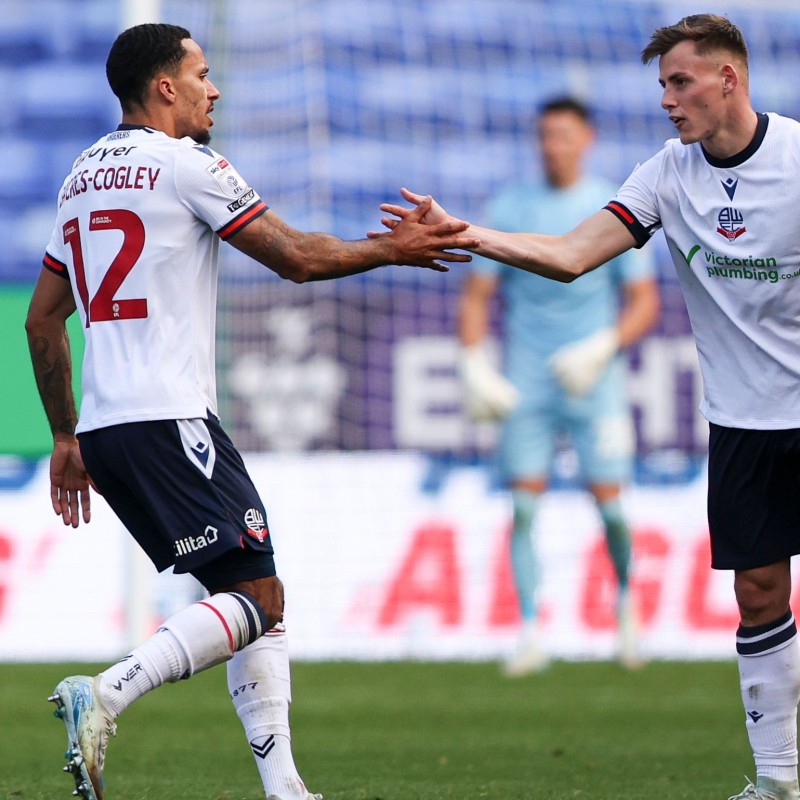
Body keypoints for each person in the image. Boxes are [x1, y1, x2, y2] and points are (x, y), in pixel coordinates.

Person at [25, 23, 478, 800]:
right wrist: (391, 250)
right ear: (164, 86)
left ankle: (286, 788)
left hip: (108, 428)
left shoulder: (79, 179)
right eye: (202, 74)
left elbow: (41, 318)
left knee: (252, 595)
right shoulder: (187, 165)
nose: (216, 87)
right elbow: (297, 258)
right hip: (172, 419)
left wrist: (65, 435)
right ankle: (106, 693)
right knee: (260, 599)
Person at [378, 13, 800, 800]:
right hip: (744, 422)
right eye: (662, 86)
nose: (668, 101)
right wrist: (467, 232)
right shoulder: (666, 175)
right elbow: (571, 256)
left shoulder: (799, 159)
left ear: (728, 79)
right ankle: (779, 781)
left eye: (680, 82)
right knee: (759, 594)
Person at [457, 97, 660, 676]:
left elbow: (645, 301)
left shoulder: (611, 205)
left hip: (594, 378)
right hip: (528, 376)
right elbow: (478, 296)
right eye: (544, 135)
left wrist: (604, 347)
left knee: (613, 508)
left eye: (563, 135)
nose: (553, 145)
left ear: (587, 138)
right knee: (523, 505)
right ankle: (529, 630)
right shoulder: (511, 203)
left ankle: (627, 609)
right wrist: (474, 362)